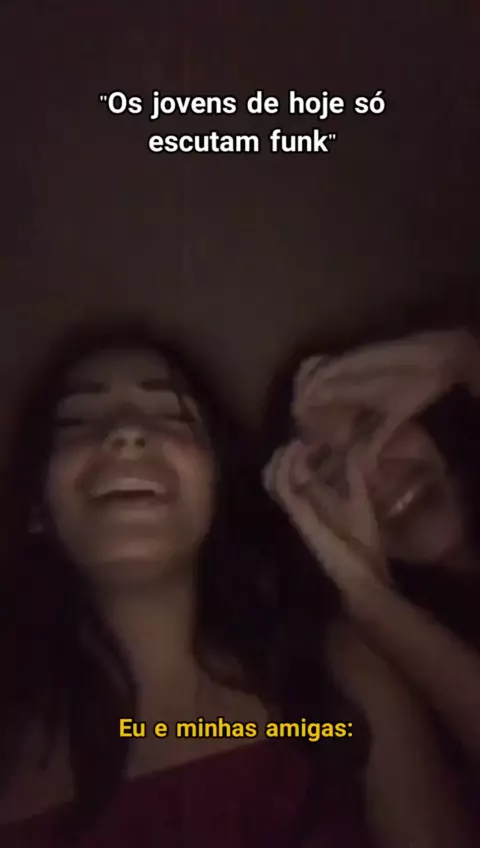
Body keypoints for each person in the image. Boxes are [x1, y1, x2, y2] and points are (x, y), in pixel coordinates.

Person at [0, 321, 471, 847]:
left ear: (217, 482)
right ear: (36, 506)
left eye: (172, 415)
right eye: (76, 421)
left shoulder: (333, 683)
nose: (126, 432)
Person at [263, 328, 480, 818]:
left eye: (371, 424)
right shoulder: (362, 654)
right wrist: (372, 600)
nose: (374, 472)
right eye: (328, 468)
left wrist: (467, 361)